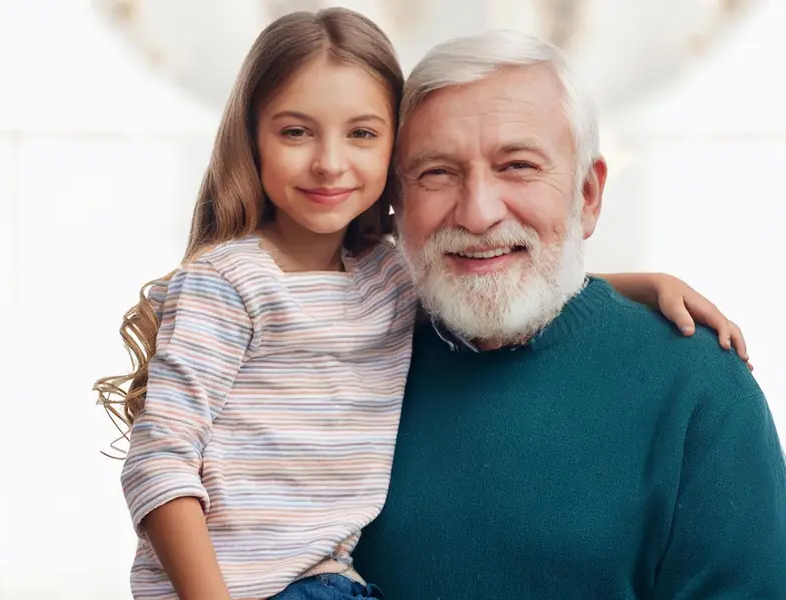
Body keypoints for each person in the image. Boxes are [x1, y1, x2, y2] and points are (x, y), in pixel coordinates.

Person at [95, 10, 750, 600]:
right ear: (252, 139)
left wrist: (642, 283)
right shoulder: (228, 284)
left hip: (328, 585)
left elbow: (506, 265)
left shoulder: (383, 276)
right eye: (296, 131)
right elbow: (159, 461)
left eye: (361, 133)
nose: (329, 162)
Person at [352, 29, 786, 599]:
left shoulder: (699, 392)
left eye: (517, 166)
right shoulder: (336, 364)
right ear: (396, 202)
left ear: (587, 195)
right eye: (437, 173)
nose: (476, 213)